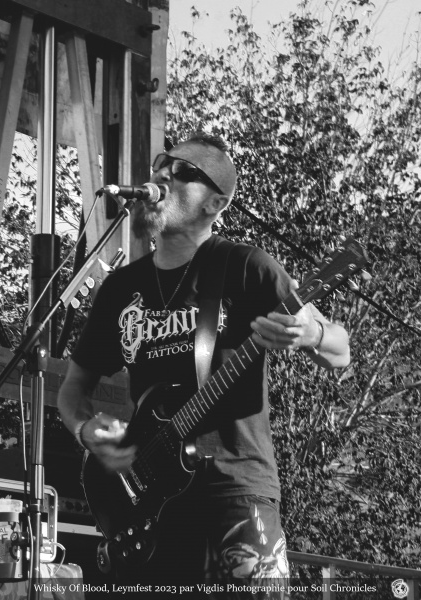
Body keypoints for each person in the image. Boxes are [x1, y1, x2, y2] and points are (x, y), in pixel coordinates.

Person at [57, 132, 350, 598]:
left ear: (215, 203)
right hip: (148, 504)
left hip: (235, 488)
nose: (161, 175)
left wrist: (309, 333)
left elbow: (340, 350)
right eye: (161, 164)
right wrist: (84, 430)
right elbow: (72, 391)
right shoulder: (120, 290)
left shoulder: (246, 267)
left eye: (182, 172)